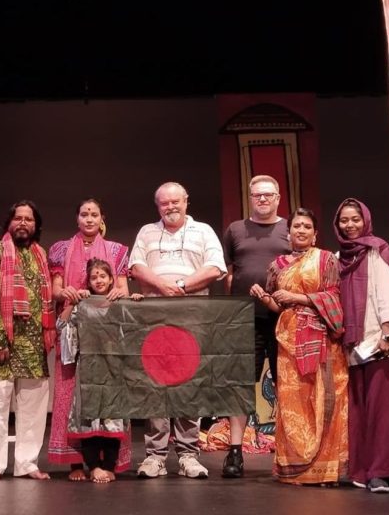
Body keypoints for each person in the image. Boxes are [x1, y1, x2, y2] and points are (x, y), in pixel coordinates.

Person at [128, 181, 226, 479]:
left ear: (186, 201)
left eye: (175, 201)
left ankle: (188, 455)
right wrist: (162, 285)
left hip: (191, 319)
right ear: (157, 206)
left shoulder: (203, 231)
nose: (170, 207)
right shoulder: (147, 231)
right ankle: (155, 456)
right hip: (154, 320)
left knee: (188, 386)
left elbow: (215, 268)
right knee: (155, 387)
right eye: (164, 203)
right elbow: (136, 267)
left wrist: (181, 285)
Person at [250, 208, 345, 486]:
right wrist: (263, 297)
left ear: (315, 235)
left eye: (306, 226)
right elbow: (278, 306)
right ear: (288, 232)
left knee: (324, 396)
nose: (301, 230)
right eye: (296, 226)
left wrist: (299, 297)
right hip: (288, 339)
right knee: (294, 400)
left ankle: (326, 469)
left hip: (322, 337)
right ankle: (297, 466)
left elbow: (335, 295)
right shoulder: (277, 265)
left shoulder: (326, 260)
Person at [47, 199, 132, 481]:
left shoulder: (117, 251)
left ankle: (107, 462)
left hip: (107, 338)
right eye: (84, 214)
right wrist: (67, 294)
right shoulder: (61, 249)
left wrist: (122, 294)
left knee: (107, 398)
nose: (89, 218)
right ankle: (75, 463)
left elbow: (123, 290)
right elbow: (55, 289)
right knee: (70, 397)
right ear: (77, 218)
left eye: (94, 214)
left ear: (102, 218)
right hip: (74, 333)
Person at [334, 198, 389, 493]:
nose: (350, 225)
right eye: (344, 220)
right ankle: (362, 469)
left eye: (355, 219)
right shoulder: (339, 257)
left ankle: (383, 471)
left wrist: (388, 333)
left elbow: (388, 292)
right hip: (355, 345)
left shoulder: (377, 249)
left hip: (381, 341)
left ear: (365, 220)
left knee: (384, 412)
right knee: (360, 410)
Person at [0, 200, 56, 481]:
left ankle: (27, 463)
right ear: (9, 223)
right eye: (18, 218)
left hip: (34, 344)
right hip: (4, 343)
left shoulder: (40, 254)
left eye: (29, 219)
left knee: (34, 408)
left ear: (36, 225)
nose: (23, 223)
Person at [221, 175, 291, 478]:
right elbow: (229, 273)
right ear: (250, 198)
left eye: (268, 195)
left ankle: (290, 451)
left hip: (283, 318)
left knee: (286, 384)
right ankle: (235, 452)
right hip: (245, 319)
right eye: (257, 195)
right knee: (240, 384)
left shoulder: (290, 228)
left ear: (278, 198)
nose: (262, 199)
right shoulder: (235, 229)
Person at [60, 258, 141, 483]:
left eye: (103, 276)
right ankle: (94, 466)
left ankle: (109, 466)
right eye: (94, 277)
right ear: (89, 281)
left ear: (111, 279)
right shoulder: (83, 304)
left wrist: (134, 300)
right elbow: (62, 325)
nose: (98, 280)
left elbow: (136, 326)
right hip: (90, 370)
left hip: (114, 370)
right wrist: (73, 303)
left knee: (113, 418)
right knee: (90, 418)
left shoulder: (119, 303)